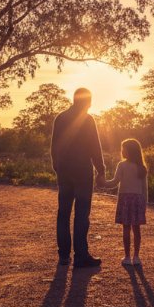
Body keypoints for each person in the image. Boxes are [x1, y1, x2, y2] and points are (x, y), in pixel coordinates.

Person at [50, 87, 104, 268]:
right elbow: (95, 147)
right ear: (86, 102)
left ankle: (64, 256)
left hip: (65, 171)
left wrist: (57, 167)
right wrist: (101, 171)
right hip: (82, 172)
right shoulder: (87, 120)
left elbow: (54, 146)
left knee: (63, 213)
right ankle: (81, 255)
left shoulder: (60, 118)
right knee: (82, 214)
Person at [100, 139, 148, 266]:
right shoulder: (141, 167)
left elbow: (114, 182)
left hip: (125, 199)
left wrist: (103, 183)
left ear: (130, 150)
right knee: (136, 229)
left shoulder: (122, 165)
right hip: (138, 200)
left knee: (126, 229)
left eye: (123, 148)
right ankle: (136, 257)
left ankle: (127, 257)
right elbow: (144, 189)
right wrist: (145, 204)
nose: (122, 151)